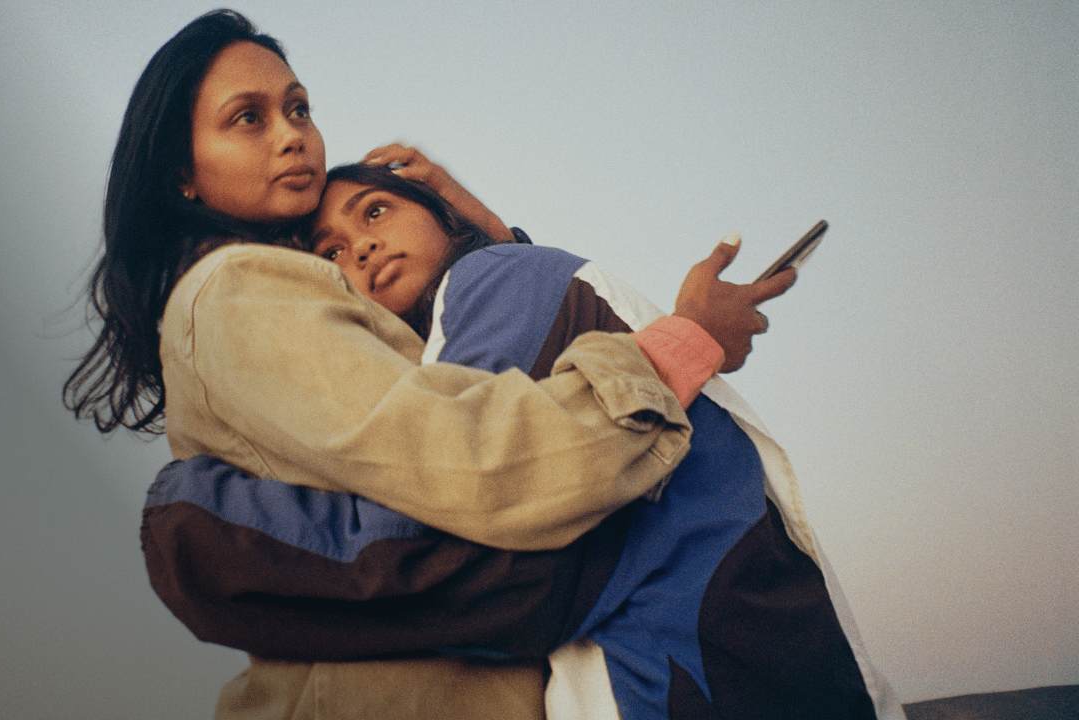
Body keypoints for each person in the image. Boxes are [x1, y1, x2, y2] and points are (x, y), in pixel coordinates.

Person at [66, 9, 894, 720]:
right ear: (182, 175)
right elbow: (486, 462)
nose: (291, 135)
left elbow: (482, 373)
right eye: (247, 118)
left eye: (299, 107)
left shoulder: (296, 294)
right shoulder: (244, 286)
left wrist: (486, 234)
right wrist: (681, 345)